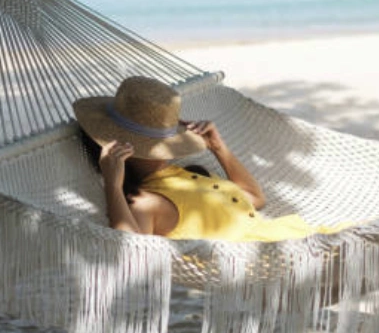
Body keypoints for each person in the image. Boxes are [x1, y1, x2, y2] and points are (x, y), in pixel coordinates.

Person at [73, 76, 347, 242]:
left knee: (376, 230)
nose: (168, 151)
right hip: (276, 256)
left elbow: (255, 199)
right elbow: (130, 250)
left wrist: (219, 148)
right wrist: (112, 182)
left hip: (301, 236)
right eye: (158, 143)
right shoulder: (145, 202)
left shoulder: (185, 176)